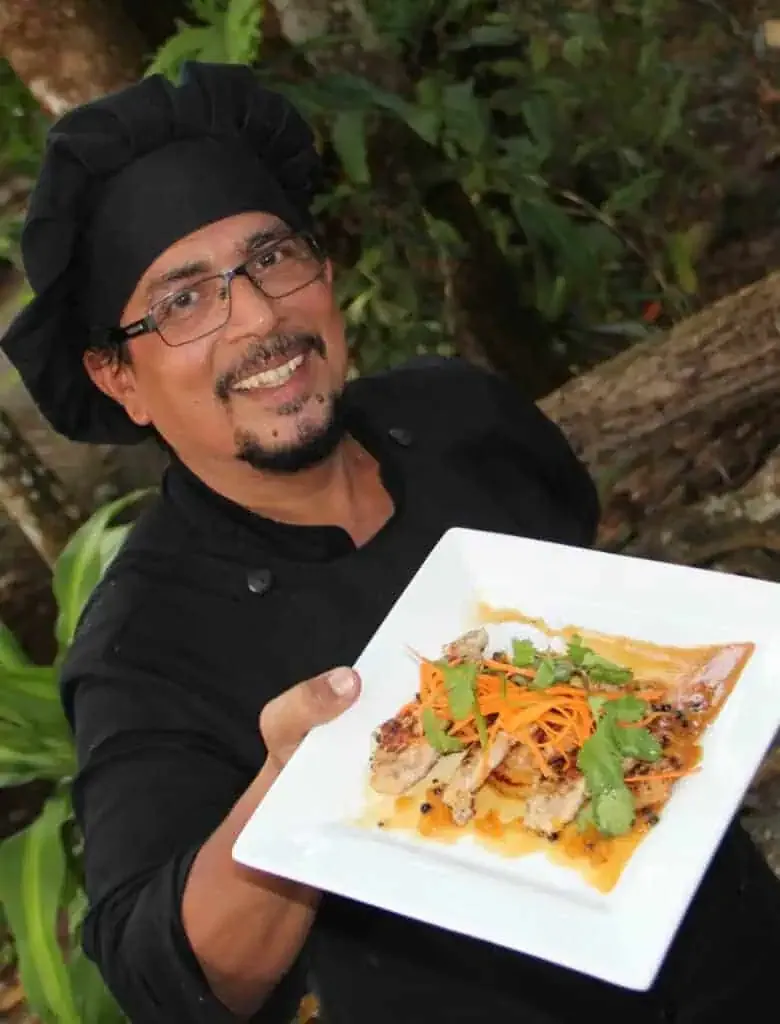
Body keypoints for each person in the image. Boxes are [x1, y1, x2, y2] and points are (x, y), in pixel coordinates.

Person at [2, 61, 778, 1024]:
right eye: (184, 302)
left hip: (736, 945)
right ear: (118, 378)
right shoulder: (144, 647)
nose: (258, 316)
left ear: (323, 271)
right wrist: (293, 788)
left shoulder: (463, 415)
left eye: (271, 257)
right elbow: (168, 976)